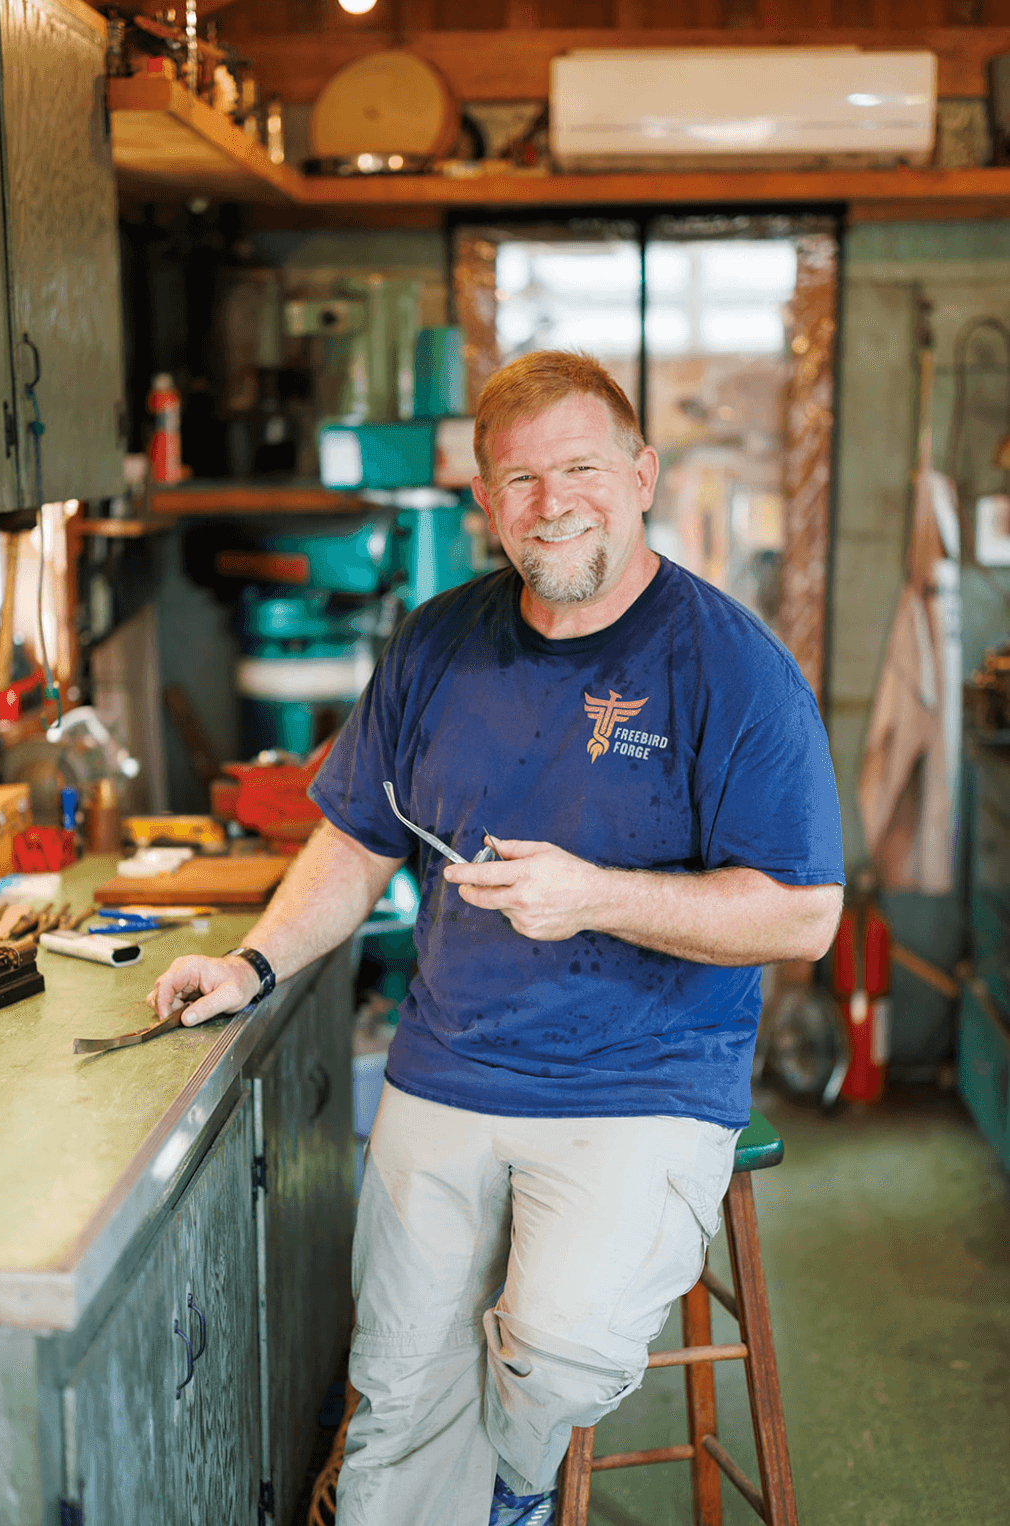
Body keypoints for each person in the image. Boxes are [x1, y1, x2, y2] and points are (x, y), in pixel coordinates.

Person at [149, 350, 844, 1526]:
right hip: (449, 1066)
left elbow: (801, 913)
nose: (550, 502)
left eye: (579, 469)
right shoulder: (435, 644)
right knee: (398, 1402)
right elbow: (353, 840)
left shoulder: (733, 669)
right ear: (484, 500)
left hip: (641, 1082)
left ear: (640, 475)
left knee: (555, 1347)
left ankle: (516, 1484)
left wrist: (596, 895)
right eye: (518, 479)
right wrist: (251, 962)